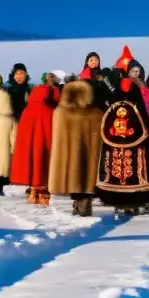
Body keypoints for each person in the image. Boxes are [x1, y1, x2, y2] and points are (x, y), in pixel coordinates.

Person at [96, 78, 149, 214]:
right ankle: (145, 200)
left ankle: (123, 201)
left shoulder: (115, 105)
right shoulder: (138, 104)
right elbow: (147, 126)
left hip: (119, 146)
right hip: (137, 145)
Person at [49, 79, 105, 216]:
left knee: (74, 178)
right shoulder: (97, 113)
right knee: (88, 177)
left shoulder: (61, 112)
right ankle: (84, 202)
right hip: (91, 156)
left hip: (69, 157)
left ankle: (79, 203)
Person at [10, 82, 61, 204]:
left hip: (31, 149)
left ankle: (33, 191)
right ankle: (43, 192)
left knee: (32, 161)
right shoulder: (51, 111)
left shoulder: (27, 111)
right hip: (47, 149)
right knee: (44, 163)